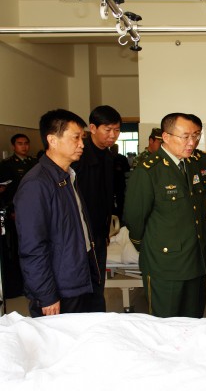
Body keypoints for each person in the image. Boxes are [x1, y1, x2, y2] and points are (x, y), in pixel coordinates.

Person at [14, 109, 100, 317]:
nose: (81, 144)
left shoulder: (68, 175)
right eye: (76, 138)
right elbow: (32, 247)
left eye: (83, 138)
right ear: (52, 140)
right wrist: (46, 295)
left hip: (78, 279)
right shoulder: (37, 184)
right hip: (59, 290)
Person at [124, 113, 206, 318]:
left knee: (194, 321)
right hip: (165, 265)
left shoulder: (192, 163)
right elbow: (134, 218)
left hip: (195, 260)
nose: (192, 142)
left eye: (195, 136)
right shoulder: (149, 170)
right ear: (166, 137)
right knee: (166, 324)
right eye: (185, 136)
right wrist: (150, 249)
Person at [72, 105, 121, 312]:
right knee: (81, 283)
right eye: (107, 130)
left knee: (98, 280)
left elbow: (107, 195)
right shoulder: (79, 156)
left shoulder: (109, 157)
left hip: (99, 233)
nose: (113, 136)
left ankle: (97, 319)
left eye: (117, 130)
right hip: (80, 232)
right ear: (92, 128)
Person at [0, 134, 38, 298]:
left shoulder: (34, 163)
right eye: (20, 144)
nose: (23, 147)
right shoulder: (7, 165)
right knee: (17, 248)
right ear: (14, 146)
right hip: (16, 212)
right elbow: (7, 191)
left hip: (35, 211)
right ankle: (19, 283)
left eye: (26, 143)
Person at [111, 143, 130, 220]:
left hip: (119, 183)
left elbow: (127, 168)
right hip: (111, 183)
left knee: (120, 200)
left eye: (116, 148)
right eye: (114, 149)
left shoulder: (122, 158)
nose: (115, 150)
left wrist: (121, 169)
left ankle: (120, 215)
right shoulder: (107, 157)